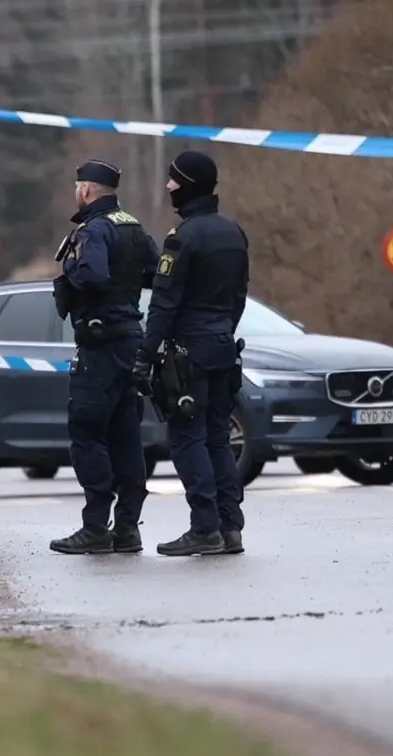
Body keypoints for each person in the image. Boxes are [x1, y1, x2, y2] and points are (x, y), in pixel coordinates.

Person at [136, 150, 251, 557]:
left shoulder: (181, 238)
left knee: (188, 439)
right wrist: (223, 332)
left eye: (173, 181)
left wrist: (145, 354)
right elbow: (239, 296)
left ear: (186, 185)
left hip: (189, 355)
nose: (168, 187)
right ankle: (229, 527)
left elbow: (164, 304)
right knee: (218, 438)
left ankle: (204, 528)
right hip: (223, 349)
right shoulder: (234, 232)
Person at [47, 158, 159, 555]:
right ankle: (127, 527)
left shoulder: (93, 230)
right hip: (130, 339)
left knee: (87, 432)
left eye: (77, 187)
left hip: (100, 344)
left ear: (87, 189)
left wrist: (72, 268)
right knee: (125, 436)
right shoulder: (133, 226)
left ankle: (95, 526)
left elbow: (91, 276)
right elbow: (156, 274)